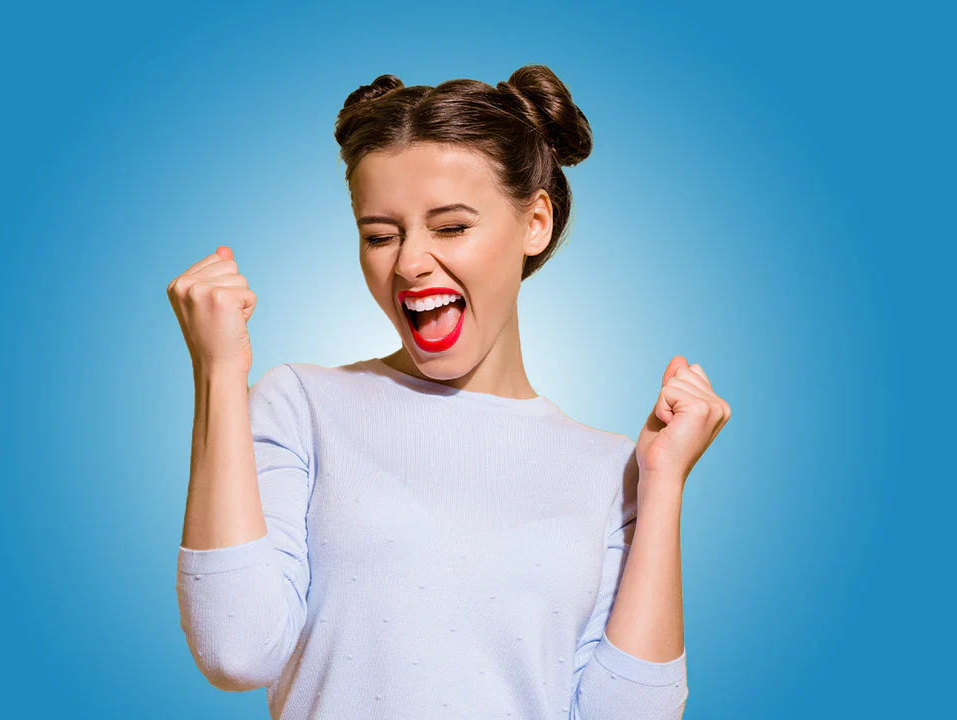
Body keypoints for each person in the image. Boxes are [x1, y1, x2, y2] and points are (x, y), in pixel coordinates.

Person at [168, 64, 731, 720]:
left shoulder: (612, 472)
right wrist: (217, 374)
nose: (408, 262)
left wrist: (662, 485)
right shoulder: (301, 407)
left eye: (451, 226)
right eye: (380, 234)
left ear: (536, 223)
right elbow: (235, 651)